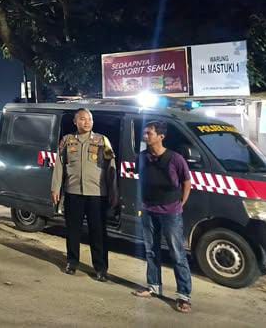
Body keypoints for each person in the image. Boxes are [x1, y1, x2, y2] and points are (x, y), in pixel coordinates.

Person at [132, 120, 193, 313]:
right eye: (145, 133)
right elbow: (141, 180)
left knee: (177, 253)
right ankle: (154, 286)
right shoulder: (142, 157)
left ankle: (184, 295)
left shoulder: (175, 159)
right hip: (149, 211)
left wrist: (181, 203)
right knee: (151, 251)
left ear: (161, 136)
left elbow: (187, 182)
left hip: (170, 213)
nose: (145, 136)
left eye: (149, 133)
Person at [51, 108, 118, 281]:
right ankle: (72, 262)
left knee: (98, 232)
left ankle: (101, 268)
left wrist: (113, 191)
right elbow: (59, 165)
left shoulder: (102, 141)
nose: (87, 122)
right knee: (73, 231)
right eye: (82, 119)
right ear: (75, 122)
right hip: (73, 192)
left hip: (97, 194)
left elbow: (111, 167)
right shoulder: (67, 141)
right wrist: (56, 188)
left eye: (89, 119)